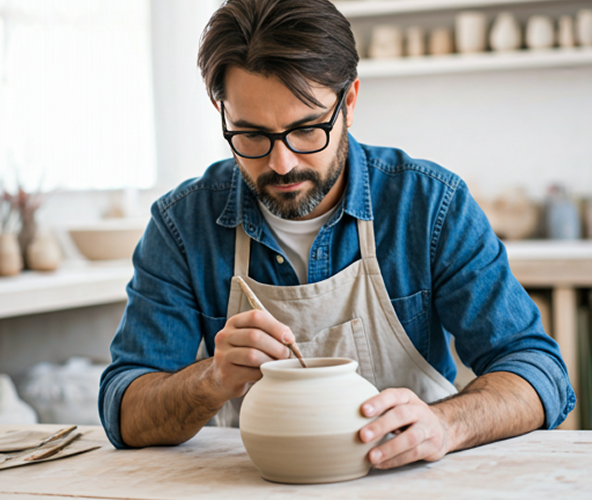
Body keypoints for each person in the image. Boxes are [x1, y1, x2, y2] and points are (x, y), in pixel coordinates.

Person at [99, 0, 574, 470]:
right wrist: (212, 378)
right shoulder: (183, 225)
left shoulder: (429, 206)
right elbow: (123, 409)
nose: (281, 163)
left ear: (348, 102)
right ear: (221, 111)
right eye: (251, 135)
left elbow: (539, 371)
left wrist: (447, 425)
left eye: (306, 130)